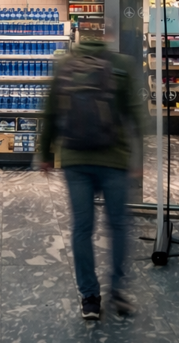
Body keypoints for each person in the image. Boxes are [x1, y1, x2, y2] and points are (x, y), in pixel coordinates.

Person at [39, 32, 144, 320]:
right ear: (106, 41)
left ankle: (90, 298)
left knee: (82, 228)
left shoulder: (64, 64)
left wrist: (46, 153)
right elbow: (136, 114)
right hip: (114, 157)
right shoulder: (122, 64)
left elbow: (49, 113)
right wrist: (138, 157)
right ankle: (119, 290)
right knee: (118, 226)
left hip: (75, 158)